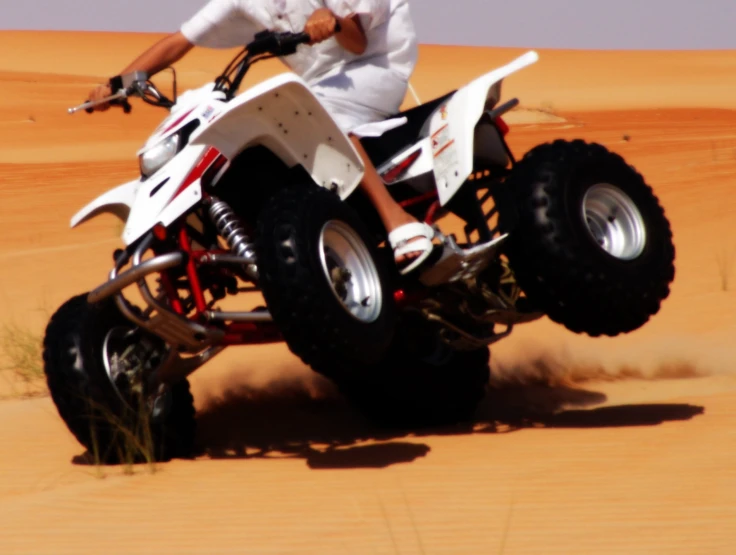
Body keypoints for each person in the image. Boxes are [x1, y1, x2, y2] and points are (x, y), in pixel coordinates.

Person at [87, 0, 435, 275]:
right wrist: (115, 85)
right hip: (320, 83)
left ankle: (397, 221)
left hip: (375, 64)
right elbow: (180, 41)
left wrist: (334, 20)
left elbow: (358, 42)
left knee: (315, 115)